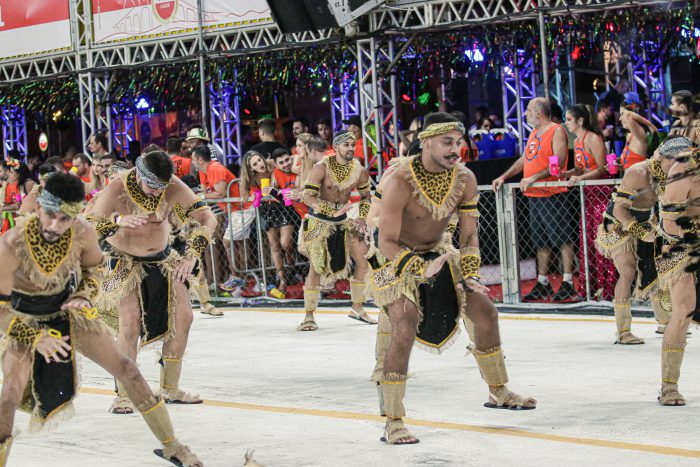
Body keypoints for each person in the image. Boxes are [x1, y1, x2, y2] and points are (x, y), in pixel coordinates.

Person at [0, 172, 202, 466]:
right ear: (39, 208)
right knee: (9, 394)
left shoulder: (82, 230)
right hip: (25, 320)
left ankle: (173, 446)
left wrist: (84, 293)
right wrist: (36, 338)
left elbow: (93, 268)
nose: (56, 226)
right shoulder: (10, 244)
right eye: (50, 216)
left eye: (64, 219)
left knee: (128, 369)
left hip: (70, 311)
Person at [372, 113, 535, 445]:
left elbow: (470, 236)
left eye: (458, 142)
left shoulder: (466, 179)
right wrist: (418, 269)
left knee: (486, 312)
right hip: (398, 258)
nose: (455, 149)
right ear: (426, 141)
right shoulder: (399, 180)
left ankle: (498, 391)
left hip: (442, 253)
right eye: (447, 142)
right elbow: (384, 241)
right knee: (404, 323)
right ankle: (393, 420)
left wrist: (472, 273)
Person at [86, 150, 216, 415]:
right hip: (125, 261)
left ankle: (169, 387)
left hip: (164, 258)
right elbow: (89, 221)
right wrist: (118, 220)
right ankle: (124, 394)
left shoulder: (173, 186)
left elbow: (207, 217)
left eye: (162, 187)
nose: (158, 193)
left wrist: (192, 254)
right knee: (129, 322)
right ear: (139, 175)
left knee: (184, 318)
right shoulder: (117, 187)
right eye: (152, 186)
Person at [596, 137, 692, 343]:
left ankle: (665, 322)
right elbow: (621, 210)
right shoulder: (638, 172)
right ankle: (623, 331)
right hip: (618, 224)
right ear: (668, 158)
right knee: (628, 271)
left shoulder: (671, 175)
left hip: (647, 221)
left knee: (657, 269)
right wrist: (640, 232)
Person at [492, 97, 577, 301]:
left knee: (563, 237)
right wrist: (504, 176)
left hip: (552, 193)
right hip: (534, 194)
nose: (526, 113)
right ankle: (543, 281)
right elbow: (525, 160)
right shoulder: (534, 133)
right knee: (540, 241)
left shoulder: (556, 130)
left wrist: (534, 177)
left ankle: (567, 282)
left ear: (539, 112)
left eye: (529, 110)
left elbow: (558, 162)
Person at [299, 130, 376, 330]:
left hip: (343, 221)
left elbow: (366, 197)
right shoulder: (321, 167)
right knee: (316, 267)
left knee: (363, 258)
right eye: (346, 145)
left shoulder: (360, 171)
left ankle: (357, 308)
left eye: (352, 145)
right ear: (336, 148)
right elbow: (307, 197)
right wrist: (328, 211)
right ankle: (309, 315)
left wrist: (361, 218)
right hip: (318, 221)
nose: (351, 148)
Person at [656, 143, 700, 405]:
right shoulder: (682, 169)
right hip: (679, 247)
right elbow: (669, 222)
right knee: (683, 310)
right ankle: (669, 386)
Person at [564, 104, 616, 301]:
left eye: (569, 119)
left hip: (601, 195)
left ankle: (608, 287)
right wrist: (570, 173)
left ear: (580, 120)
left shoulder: (594, 139)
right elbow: (581, 168)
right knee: (588, 240)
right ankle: (590, 286)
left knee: (602, 239)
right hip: (587, 195)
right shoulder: (577, 141)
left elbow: (602, 168)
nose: (566, 123)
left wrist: (580, 178)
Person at [240, 150, 298, 298]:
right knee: (274, 245)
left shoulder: (272, 164)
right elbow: (256, 201)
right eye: (255, 164)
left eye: (259, 160)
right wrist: (256, 196)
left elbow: (291, 163)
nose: (260, 164)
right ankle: (282, 279)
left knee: (286, 244)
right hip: (267, 210)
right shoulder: (252, 179)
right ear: (251, 168)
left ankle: (292, 264)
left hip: (283, 206)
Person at [191, 145, 249, 293]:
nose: (192, 163)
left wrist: (203, 196)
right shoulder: (204, 171)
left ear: (199, 159)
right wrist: (203, 195)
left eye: (193, 160)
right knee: (235, 243)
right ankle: (240, 278)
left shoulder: (214, 168)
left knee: (228, 241)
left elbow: (220, 193)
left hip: (243, 208)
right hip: (233, 210)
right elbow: (206, 191)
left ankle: (237, 276)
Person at [619, 96, 659, 170]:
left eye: (622, 114)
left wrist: (649, 124)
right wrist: (619, 167)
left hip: (639, 180)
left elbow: (627, 114)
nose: (620, 118)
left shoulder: (641, 135)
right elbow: (631, 165)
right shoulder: (629, 136)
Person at [1, 160, 35, 234]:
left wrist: (2, 208)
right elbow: (18, 203)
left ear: (19, 174)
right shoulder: (19, 186)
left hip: (33, 220)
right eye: (9, 172)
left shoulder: (28, 183)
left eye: (12, 172)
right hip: (25, 220)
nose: (9, 174)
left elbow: (36, 203)